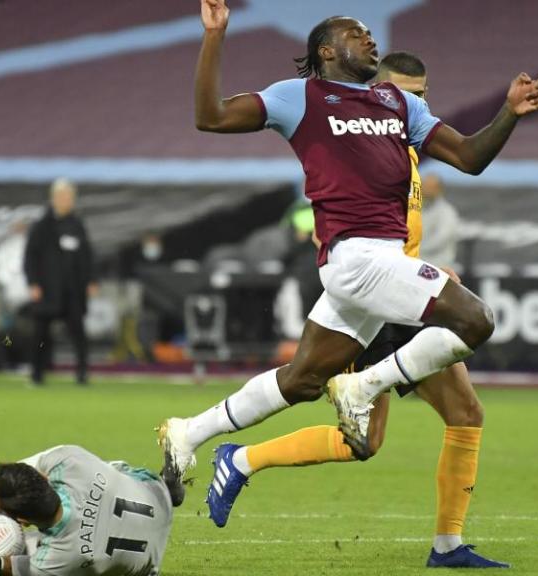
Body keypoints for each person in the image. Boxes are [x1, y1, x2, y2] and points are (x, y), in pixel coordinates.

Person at [161, 0, 538, 538]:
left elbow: (469, 156)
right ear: (327, 50)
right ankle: (364, 387)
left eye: (370, 32)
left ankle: (188, 432)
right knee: (476, 320)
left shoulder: (397, 103)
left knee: (301, 381)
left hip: (380, 263)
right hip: (356, 257)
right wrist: (214, 38)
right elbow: (211, 117)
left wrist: (508, 113)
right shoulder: (300, 97)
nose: (370, 39)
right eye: (356, 32)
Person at [206, 52, 506, 568]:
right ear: (376, 94)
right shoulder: (358, 147)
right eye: (408, 92)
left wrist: (428, 270)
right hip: (374, 300)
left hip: (405, 298)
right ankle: (241, 458)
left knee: (465, 413)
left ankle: (448, 545)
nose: (418, 103)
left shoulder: (408, 150)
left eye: (425, 93)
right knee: (362, 441)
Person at [0, 445, 184, 576]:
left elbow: (20, 568)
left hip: (148, 564)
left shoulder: (62, 556)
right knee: (109, 473)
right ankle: (170, 489)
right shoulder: (69, 460)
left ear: (24, 519)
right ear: (44, 478)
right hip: (156, 495)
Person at [25, 179, 98, 386]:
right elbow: (30, 256)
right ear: (53, 198)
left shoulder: (77, 225)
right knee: (41, 334)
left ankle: (82, 373)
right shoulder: (42, 226)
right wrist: (33, 283)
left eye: (69, 197)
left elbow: (87, 255)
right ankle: (36, 374)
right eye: (62, 197)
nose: (66, 201)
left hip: (72, 290)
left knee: (79, 334)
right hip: (47, 290)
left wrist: (91, 280)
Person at [418, 173, 461, 268]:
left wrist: (414, 249)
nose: (426, 190)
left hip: (438, 267)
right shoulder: (417, 209)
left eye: (430, 187)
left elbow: (440, 239)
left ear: (439, 189)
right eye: (424, 186)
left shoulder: (447, 212)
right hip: (417, 264)